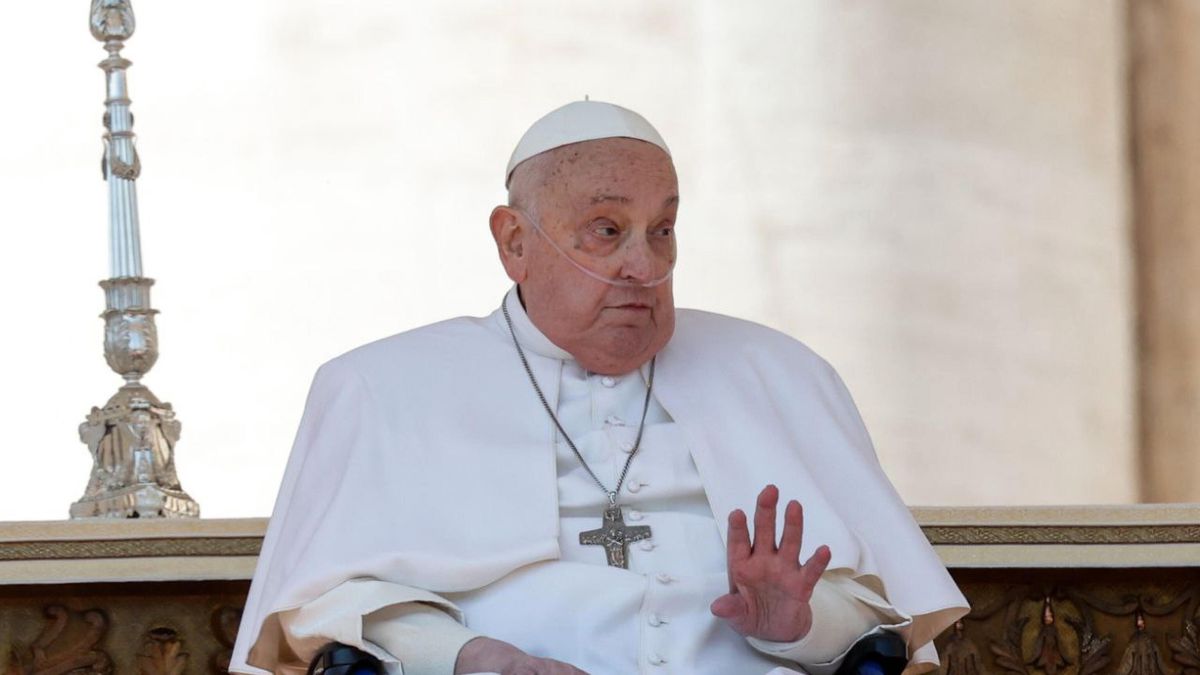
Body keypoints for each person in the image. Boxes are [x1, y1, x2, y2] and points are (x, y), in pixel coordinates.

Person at [231, 101, 968, 675]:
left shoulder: (778, 373)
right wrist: (470, 656)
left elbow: (883, 624)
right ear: (514, 243)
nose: (644, 267)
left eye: (663, 230)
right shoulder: (380, 386)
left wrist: (800, 623)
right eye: (606, 231)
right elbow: (325, 609)